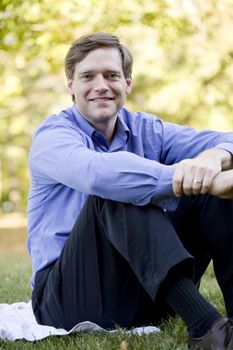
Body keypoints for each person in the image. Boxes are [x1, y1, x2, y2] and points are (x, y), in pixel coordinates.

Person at [27, 32, 233, 349]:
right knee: (118, 188)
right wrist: (187, 175)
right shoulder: (52, 136)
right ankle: (209, 331)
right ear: (70, 85)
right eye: (88, 76)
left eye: (112, 75)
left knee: (211, 188)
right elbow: (96, 173)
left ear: (127, 83)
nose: (101, 85)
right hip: (66, 297)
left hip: (145, 288)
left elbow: (226, 139)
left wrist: (214, 159)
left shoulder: (146, 129)